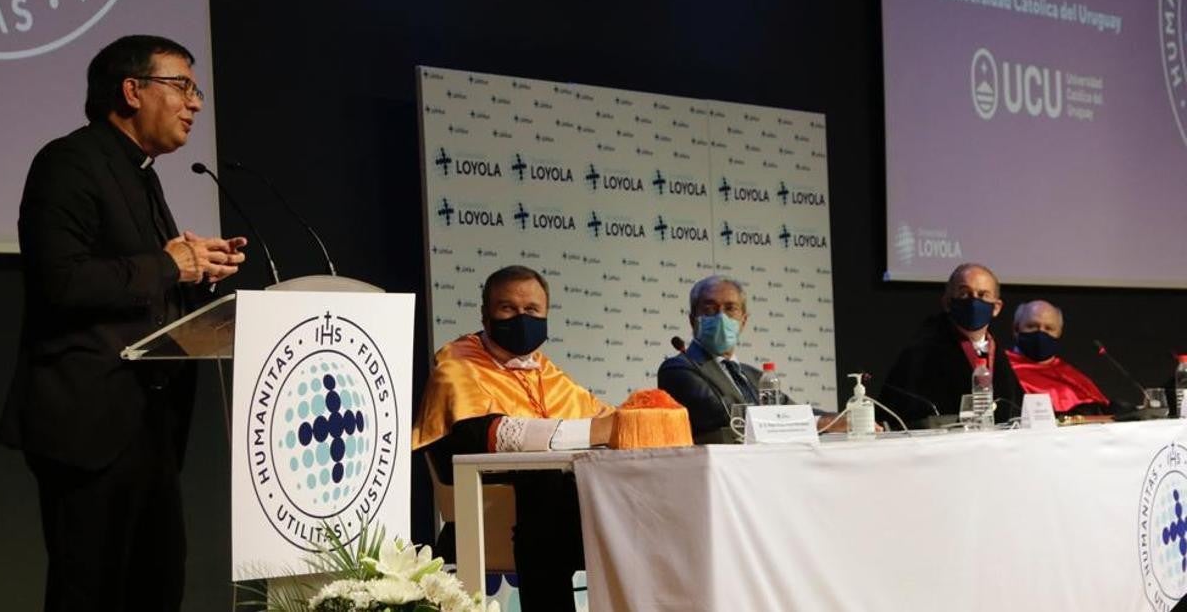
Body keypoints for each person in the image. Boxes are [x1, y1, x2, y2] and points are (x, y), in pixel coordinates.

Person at [0, 35, 247, 612]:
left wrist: (197, 271)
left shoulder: (142, 174)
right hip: (88, 426)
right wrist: (166, 263)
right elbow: (62, 282)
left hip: (148, 427)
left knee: (156, 587)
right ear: (132, 91)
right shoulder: (68, 162)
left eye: (196, 89)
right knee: (92, 592)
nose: (196, 103)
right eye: (181, 85)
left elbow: (141, 281)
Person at [412, 265, 613, 612]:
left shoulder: (544, 371)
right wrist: (592, 432)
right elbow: (474, 435)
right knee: (546, 484)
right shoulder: (457, 365)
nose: (522, 318)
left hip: (558, 513)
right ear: (486, 315)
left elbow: (603, 420)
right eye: (508, 308)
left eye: (532, 310)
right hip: (490, 507)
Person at [657, 274, 849, 443]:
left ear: (743, 321)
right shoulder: (678, 369)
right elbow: (725, 415)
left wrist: (840, 419)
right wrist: (817, 423)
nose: (721, 317)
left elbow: (790, 409)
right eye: (710, 309)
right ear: (693, 320)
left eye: (730, 308)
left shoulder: (756, 376)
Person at [879, 262, 1025, 426]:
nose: (973, 301)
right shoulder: (922, 352)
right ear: (948, 302)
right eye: (964, 294)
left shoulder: (999, 354)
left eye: (983, 295)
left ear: (996, 308)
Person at [1005, 300, 1110, 415]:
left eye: (1049, 328)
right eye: (1032, 326)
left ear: (1059, 333)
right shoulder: (1003, 367)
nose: (1041, 333)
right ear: (1016, 329)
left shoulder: (1071, 375)